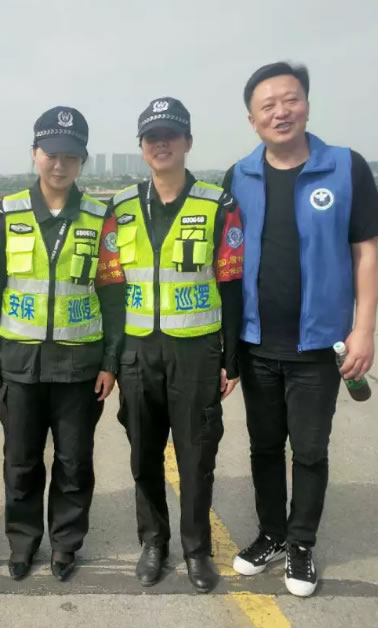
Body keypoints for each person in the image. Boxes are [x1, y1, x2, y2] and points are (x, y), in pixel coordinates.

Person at [224, 62, 378, 597]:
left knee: (311, 450)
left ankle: (301, 543)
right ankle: (272, 533)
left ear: (307, 105)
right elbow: (227, 263)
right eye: (267, 105)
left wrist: (364, 329)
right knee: (264, 447)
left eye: (290, 100)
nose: (281, 112)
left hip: (319, 345)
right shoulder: (238, 176)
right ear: (252, 119)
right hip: (256, 344)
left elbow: (365, 253)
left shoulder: (344, 167)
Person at [0, 106, 125, 582]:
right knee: (20, 463)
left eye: (71, 156)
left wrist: (110, 361)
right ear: (35, 154)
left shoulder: (100, 217)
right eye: (51, 154)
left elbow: (113, 295)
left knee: (74, 462)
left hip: (79, 366)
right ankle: (23, 543)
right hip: (18, 364)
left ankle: (65, 544)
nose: (60, 165)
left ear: (82, 161)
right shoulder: (8, 212)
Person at [112, 97, 244, 594]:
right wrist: (113, 357)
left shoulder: (217, 204)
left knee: (196, 457)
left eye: (170, 134)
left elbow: (232, 284)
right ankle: (153, 542)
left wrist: (231, 357)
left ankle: (196, 549)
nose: (161, 143)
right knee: (143, 456)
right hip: (137, 352)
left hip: (195, 352)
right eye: (152, 136)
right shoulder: (121, 207)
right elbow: (110, 289)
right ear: (142, 146)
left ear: (188, 142)